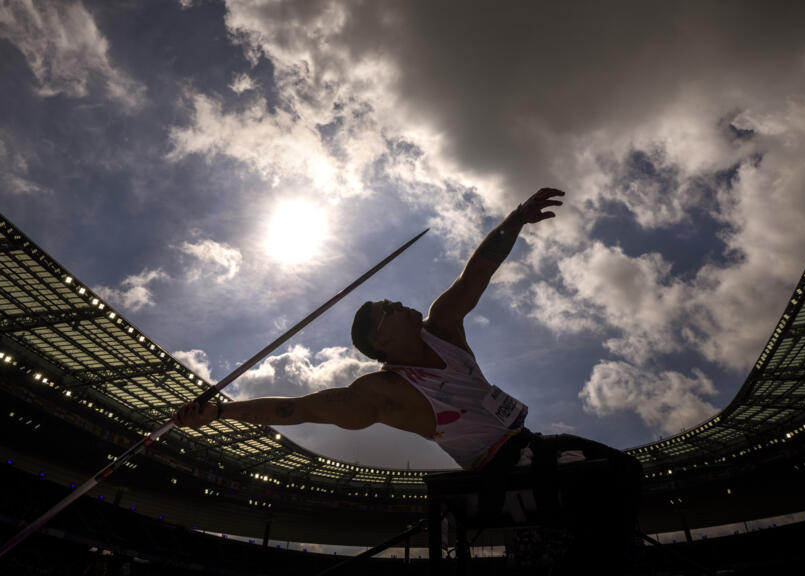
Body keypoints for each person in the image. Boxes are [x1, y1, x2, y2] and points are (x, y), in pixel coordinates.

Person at [175, 188, 641, 569]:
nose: (397, 304)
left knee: (625, 470)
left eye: (391, 301)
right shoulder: (384, 392)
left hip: (531, 442)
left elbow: (478, 272)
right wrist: (217, 412)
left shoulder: (443, 330)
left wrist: (514, 219)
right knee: (602, 489)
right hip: (497, 466)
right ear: (381, 345)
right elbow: (295, 408)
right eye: (387, 311)